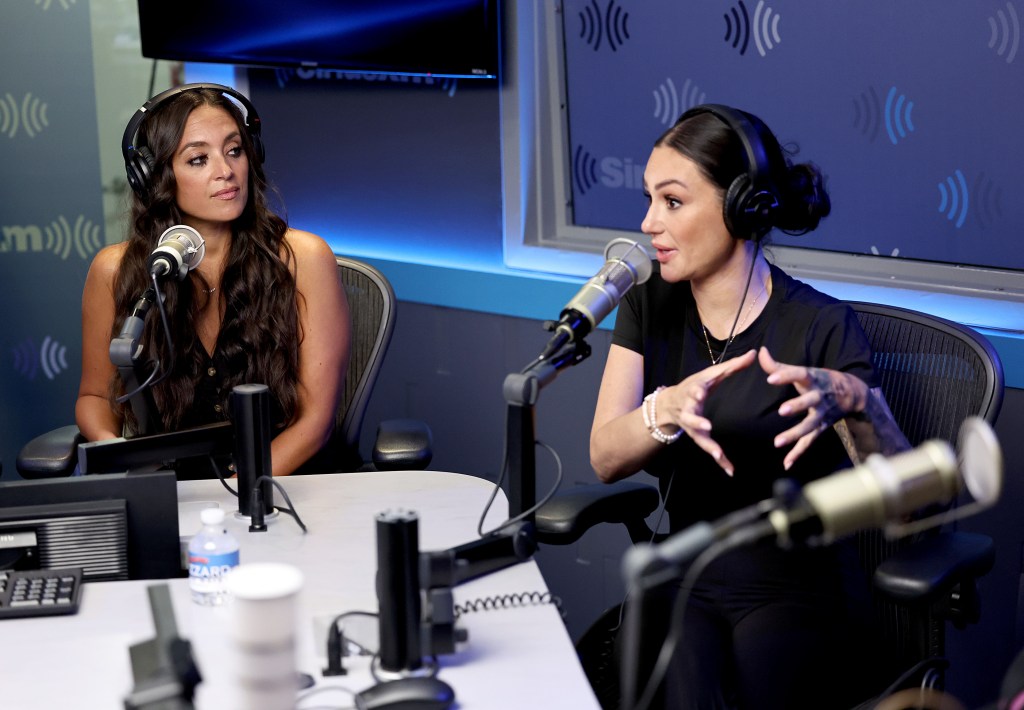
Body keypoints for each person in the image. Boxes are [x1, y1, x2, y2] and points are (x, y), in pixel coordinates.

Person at [590, 104, 910, 708]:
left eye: (673, 201)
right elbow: (605, 456)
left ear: (741, 207)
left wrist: (857, 401)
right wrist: (664, 408)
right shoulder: (647, 305)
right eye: (649, 198)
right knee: (659, 667)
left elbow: (900, 496)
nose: (649, 221)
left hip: (796, 581)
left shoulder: (820, 326)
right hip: (687, 569)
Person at [76, 83, 350, 477]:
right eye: (198, 159)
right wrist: (120, 455)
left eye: (234, 150)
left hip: (286, 483)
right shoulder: (116, 271)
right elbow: (94, 396)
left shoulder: (304, 258)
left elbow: (315, 419)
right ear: (154, 176)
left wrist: (245, 490)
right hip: (174, 490)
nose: (226, 171)